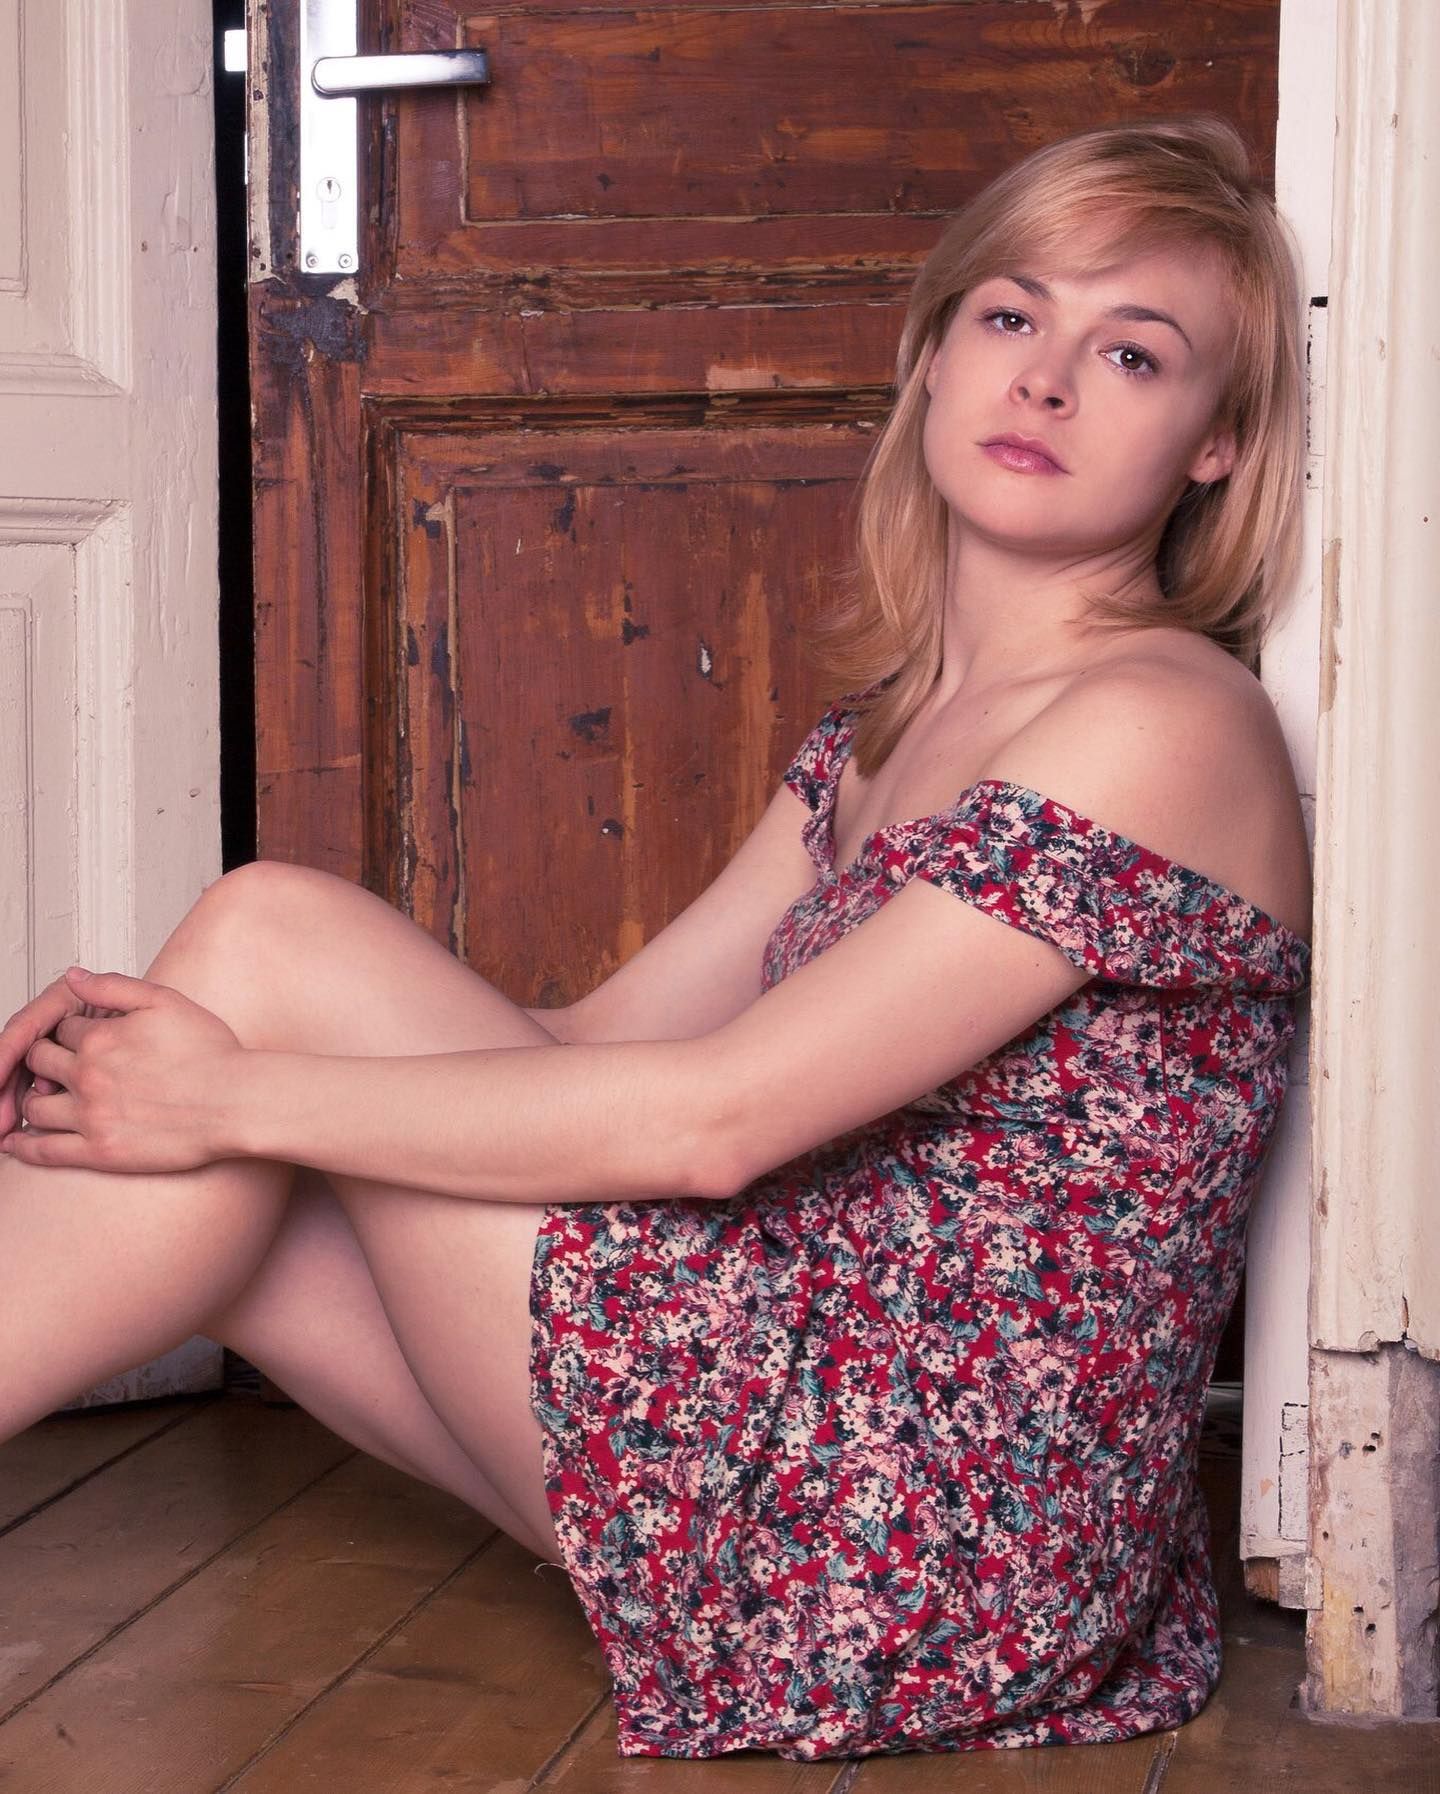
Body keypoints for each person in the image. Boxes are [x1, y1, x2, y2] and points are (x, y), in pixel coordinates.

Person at [0, 114, 1312, 1761]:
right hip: (797, 1435)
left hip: (920, 1542)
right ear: (932, 357)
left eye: (1131, 352)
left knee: (264, 965)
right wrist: (131, 1069)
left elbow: (715, 1121)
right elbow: (589, 1051)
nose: (1044, 380)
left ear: (1217, 443)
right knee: (237, 1091)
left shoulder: (1166, 721)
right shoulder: (887, 735)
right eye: (1009, 315)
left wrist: (224, 1088)